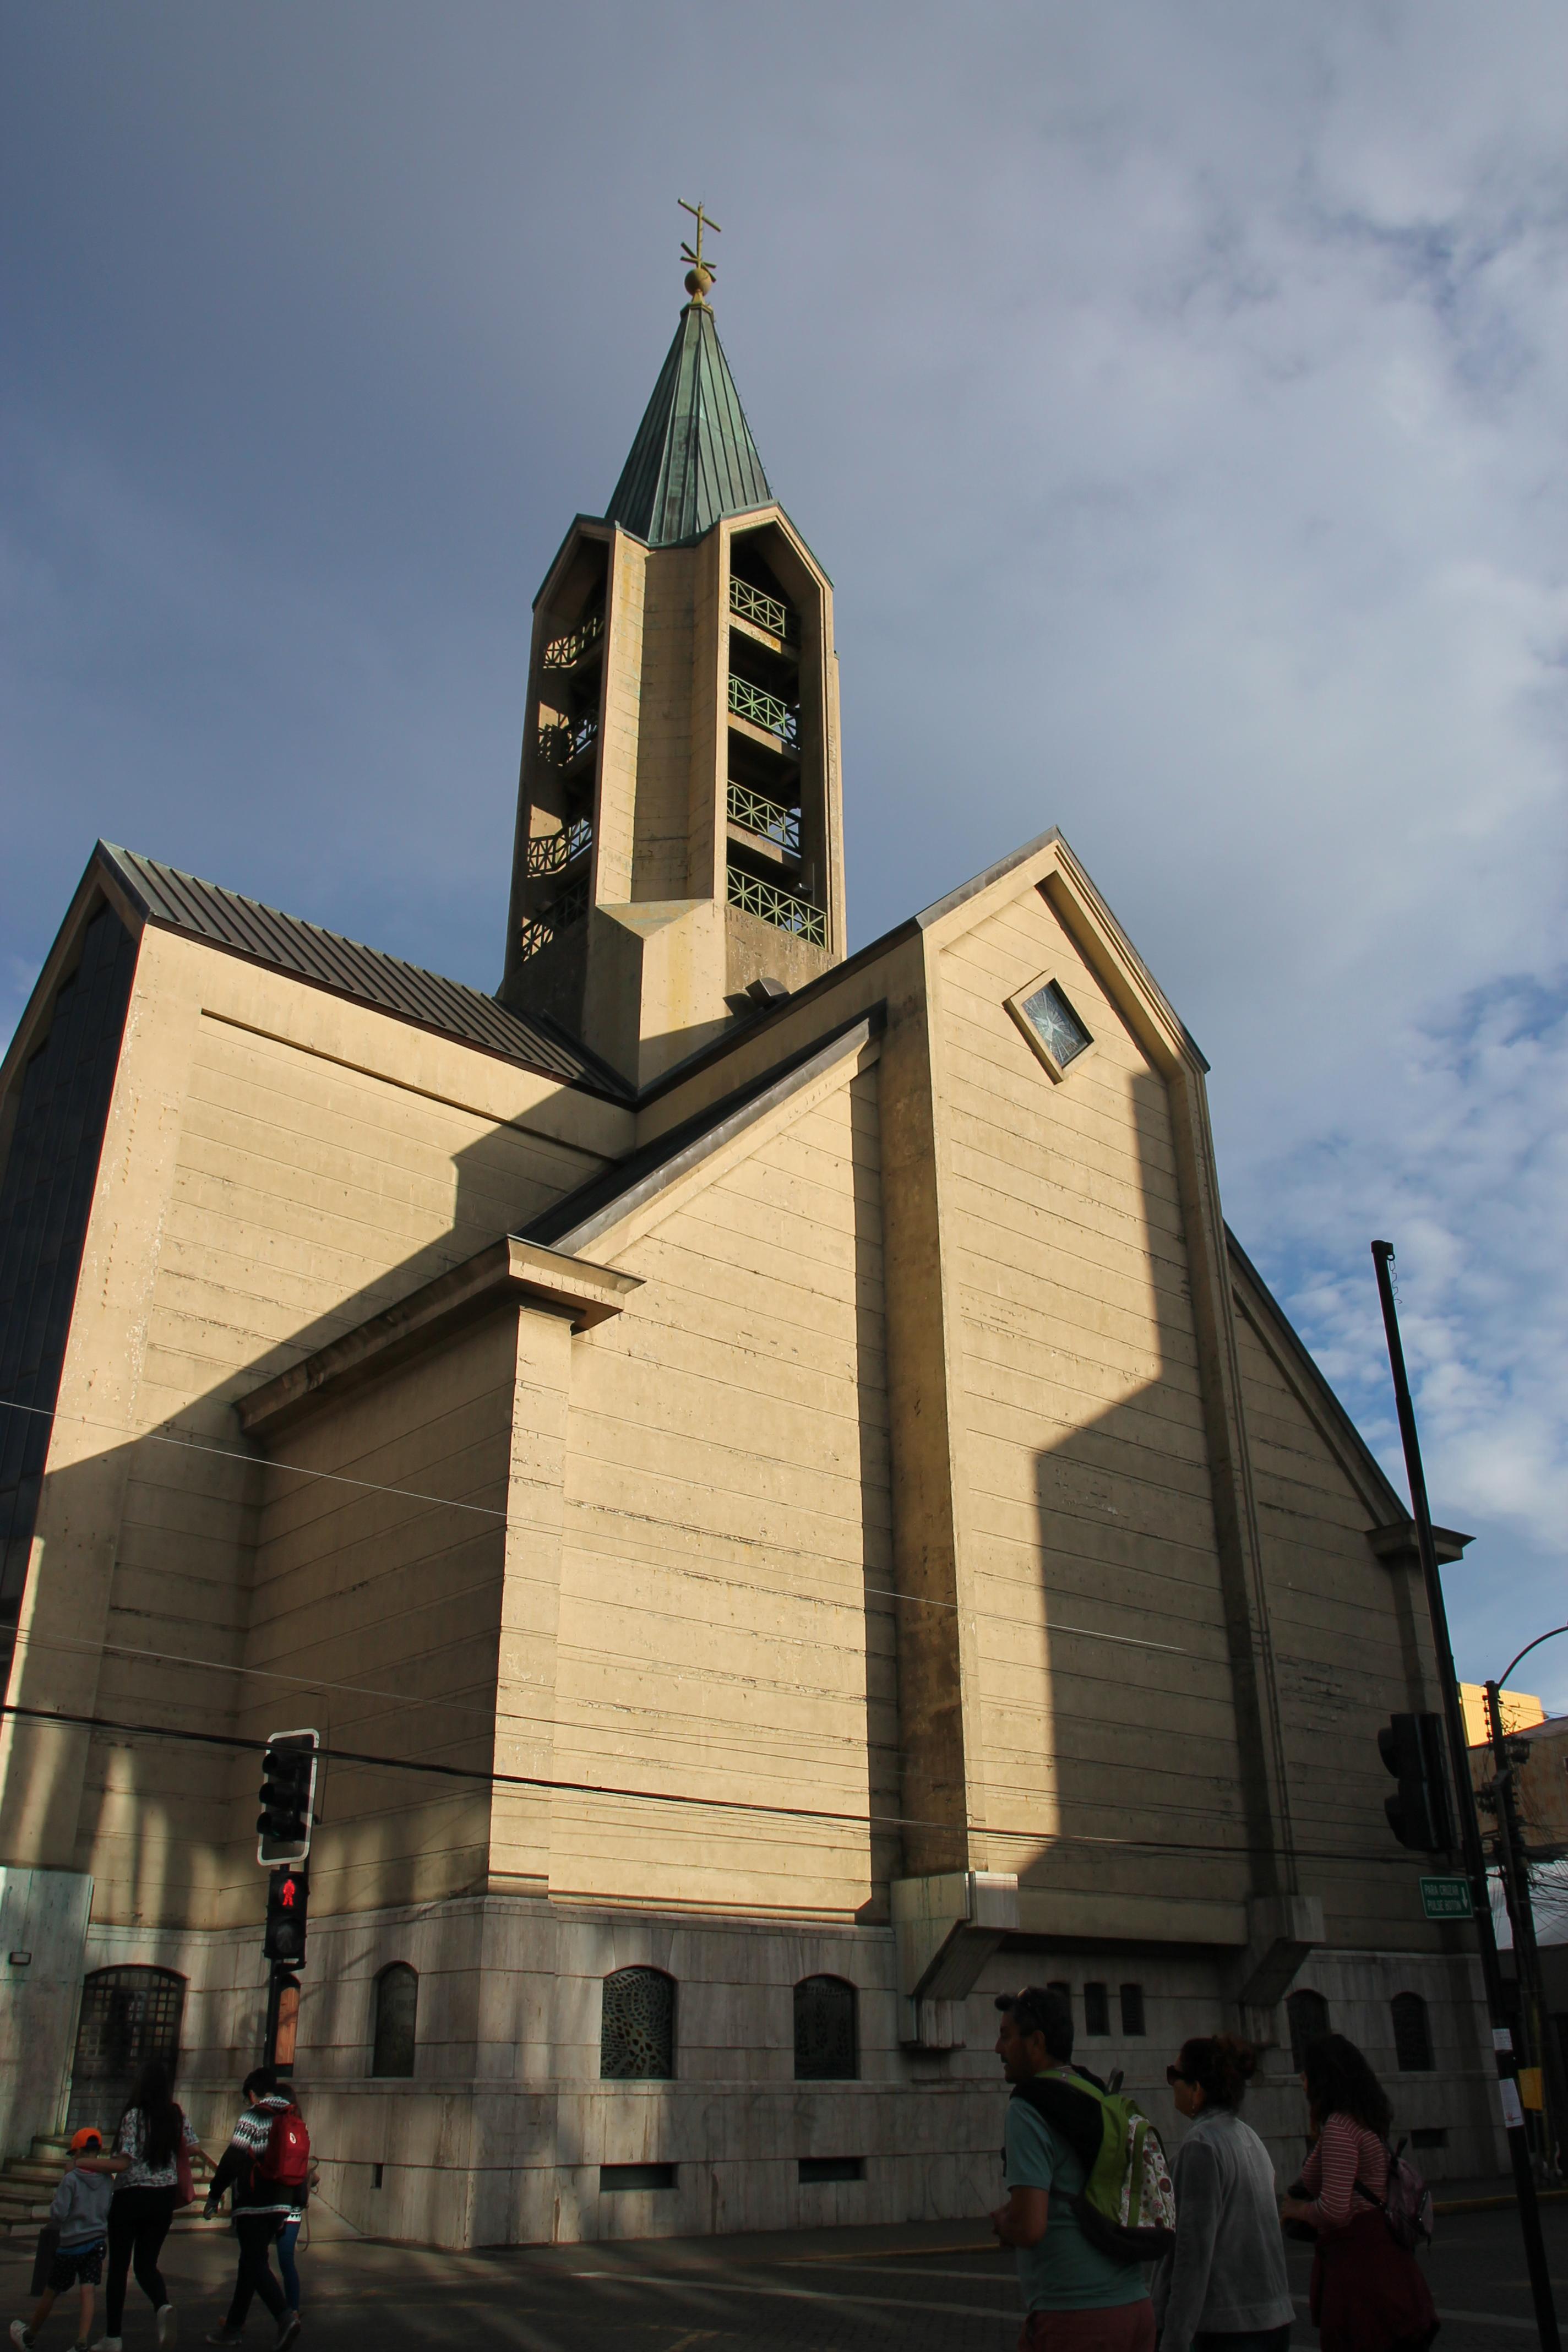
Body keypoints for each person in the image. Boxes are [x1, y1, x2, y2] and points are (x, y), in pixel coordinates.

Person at [990, 1986, 1155, 2350]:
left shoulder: (1028, 2106)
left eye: (1005, 2036)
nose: (998, 2049)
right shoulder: (1094, 2092)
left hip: (1076, 2315)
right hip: (1136, 2308)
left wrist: (1006, 2223)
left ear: (1036, 2042)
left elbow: (1030, 2228)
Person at [1278, 2032, 1437, 2352]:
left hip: (1359, 2269)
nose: (1301, 2078)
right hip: (1382, 2261)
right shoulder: (1362, 2122)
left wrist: (1297, 2211)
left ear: (1323, 2078)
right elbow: (1314, 2178)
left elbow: (1335, 2210)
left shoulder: (1340, 2128)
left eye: (1307, 2070)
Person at [1151, 2035, 1294, 2352]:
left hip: (1228, 2326)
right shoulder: (1249, 2137)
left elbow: (1193, 2253)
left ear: (1197, 2089)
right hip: (1272, 2317)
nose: (1171, 2084)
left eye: (1175, 2075)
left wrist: (1174, 2339)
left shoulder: (1201, 2146)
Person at [89, 2057, 206, 2352]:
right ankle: (163, 2305)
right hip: (163, 2199)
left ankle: (113, 2337)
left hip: (131, 2196)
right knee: (146, 2264)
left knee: (119, 2268)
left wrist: (84, 2164)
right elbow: (194, 2147)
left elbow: (124, 2161)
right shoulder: (176, 2115)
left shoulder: (134, 2116)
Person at [201, 2070, 304, 2350]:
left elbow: (233, 2158)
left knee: (254, 2262)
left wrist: (214, 2194)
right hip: (282, 2202)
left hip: (253, 2202)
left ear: (251, 2094)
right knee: (250, 2261)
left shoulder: (253, 2116)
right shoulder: (290, 2114)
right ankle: (233, 2327)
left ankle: (284, 2317)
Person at [10, 2127, 115, 2351]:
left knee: (52, 2291)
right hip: (96, 2241)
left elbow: (58, 2214)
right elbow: (109, 2208)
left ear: (78, 2153)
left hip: (71, 2245)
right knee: (88, 2290)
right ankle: (82, 2341)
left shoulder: (71, 2179)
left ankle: (30, 2336)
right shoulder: (108, 2178)